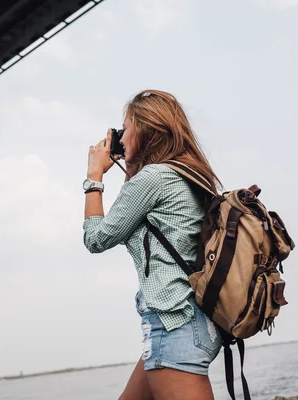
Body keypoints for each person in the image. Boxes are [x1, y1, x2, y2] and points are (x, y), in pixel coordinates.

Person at [82, 90, 223, 400]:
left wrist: (94, 177)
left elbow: (97, 238)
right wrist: (130, 169)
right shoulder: (186, 174)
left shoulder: (155, 178)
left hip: (174, 324)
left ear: (145, 131)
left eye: (126, 128)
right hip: (188, 322)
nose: (121, 137)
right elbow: (133, 214)